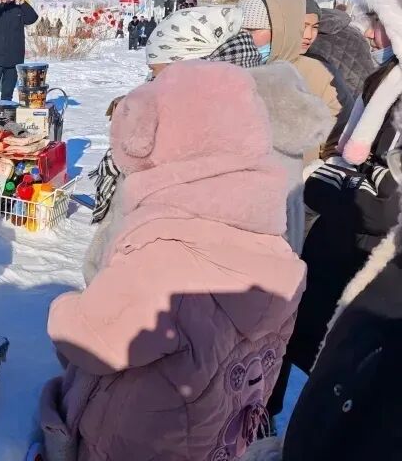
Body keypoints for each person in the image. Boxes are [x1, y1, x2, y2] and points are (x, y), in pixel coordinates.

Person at [40, 60, 306, 461]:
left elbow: (93, 339)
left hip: (133, 444)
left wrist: (65, 309)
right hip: (215, 443)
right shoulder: (274, 245)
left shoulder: (166, 251)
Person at [85, 5, 329, 283]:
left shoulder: (201, 127)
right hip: (238, 295)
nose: (151, 83)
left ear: (190, 68)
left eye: (157, 72)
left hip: (174, 294)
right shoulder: (263, 110)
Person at [266, 0, 402, 424]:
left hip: (371, 255)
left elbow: (384, 196)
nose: (373, 36)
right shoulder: (384, 78)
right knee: (309, 346)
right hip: (339, 242)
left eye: (382, 23)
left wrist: (337, 184)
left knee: (349, 376)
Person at [239, 0, 342, 160]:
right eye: (240, 29)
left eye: (252, 30)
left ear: (284, 29)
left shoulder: (317, 72)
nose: (308, 35)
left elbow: (336, 132)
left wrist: (318, 168)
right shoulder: (230, 67)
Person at [303, 0, 375, 155]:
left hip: (333, 122)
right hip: (357, 110)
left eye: (313, 27)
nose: (308, 34)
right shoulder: (355, 33)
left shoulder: (310, 48)